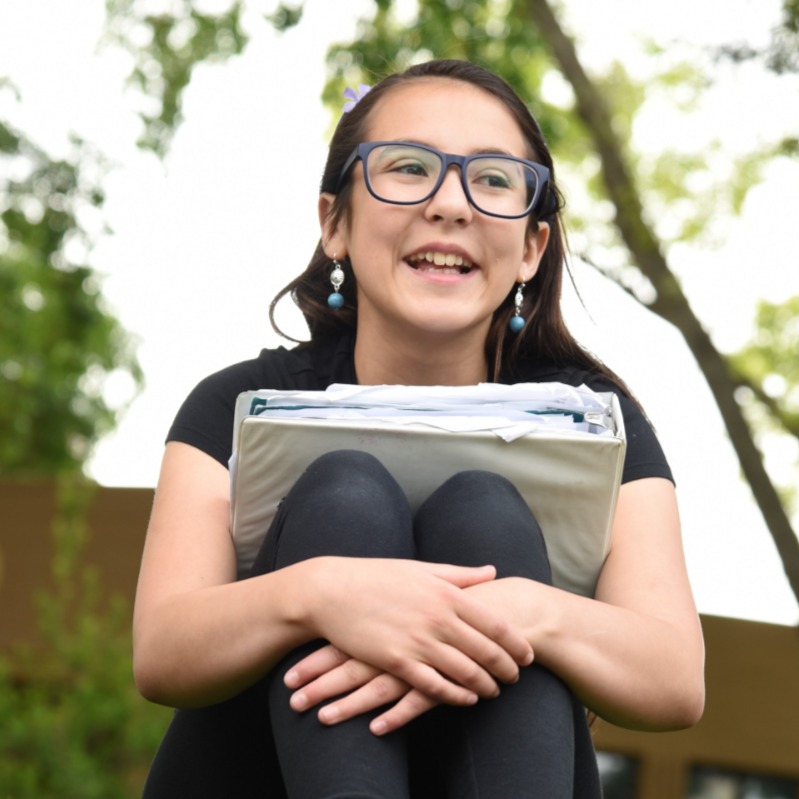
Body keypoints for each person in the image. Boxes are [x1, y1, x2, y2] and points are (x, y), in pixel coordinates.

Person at [135, 59, 705, 798]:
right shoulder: (235, 403)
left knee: (485, 509)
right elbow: (162, 649)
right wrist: (319, 593)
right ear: (334, 223)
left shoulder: (598, 420)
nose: (450, 204)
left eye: (493, 179)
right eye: (408, 168)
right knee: (345, 494)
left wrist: (518, 609)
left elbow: (674, 678)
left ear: (531, 247)